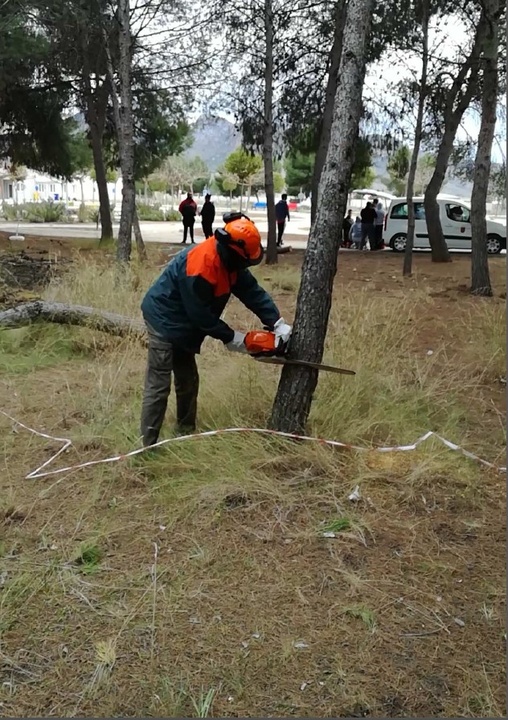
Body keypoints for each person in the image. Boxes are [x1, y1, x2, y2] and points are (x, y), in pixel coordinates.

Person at [139, 212, 292, 447]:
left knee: (188, 379)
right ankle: (146, 445)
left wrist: (276, 322)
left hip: (184, 321)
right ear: (233, 251)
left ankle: (185, 431)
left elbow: (252, 292)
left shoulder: (231, 261)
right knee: (159, 385)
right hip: (163, 318)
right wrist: (233, 338)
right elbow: (200, 315)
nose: (246, 266)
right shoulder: (201, 267)